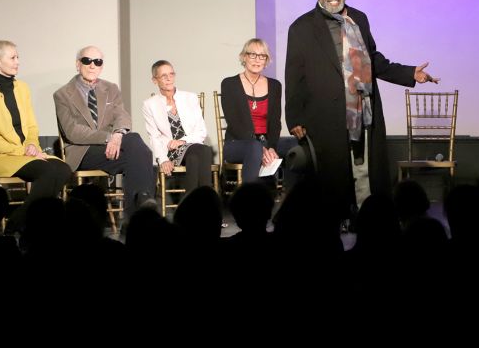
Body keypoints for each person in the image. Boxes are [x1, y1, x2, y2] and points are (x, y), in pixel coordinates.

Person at [285, 0, 439, 217]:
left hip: (362, 110)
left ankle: (367, 219)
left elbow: (372, 59)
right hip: (325, 115)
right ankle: (336, 222)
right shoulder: (302, 28)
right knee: (332, 174)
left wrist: (410, 73)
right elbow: (294, 76)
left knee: (364, 170)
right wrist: (294, 117)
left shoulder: (359, 18)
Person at [54, 46, 157, 220]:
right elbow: (73, 132)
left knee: (138, 158)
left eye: (98, 62)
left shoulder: (111, 88)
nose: (92, 65)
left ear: (101, 66)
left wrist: (117, 136)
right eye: (87, 61)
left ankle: (133, 216)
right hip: (82, 151)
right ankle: (142, 204)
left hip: (111, 148)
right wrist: (109, 137)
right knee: (140, 151)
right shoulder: (63, 94)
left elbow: (122, 116)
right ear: (78, 64)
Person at [0, 40, 70, 229]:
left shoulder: (22, 89)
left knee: (63, 169)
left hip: (25, 153)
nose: (17, 61)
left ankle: (25, 220)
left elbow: (32, 127)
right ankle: (22, 223)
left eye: (18, 57)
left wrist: (32, 145)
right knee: (48, 171)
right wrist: (22, 151)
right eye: (12, 58)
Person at [220, 38, 297, 187]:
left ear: (266, 60)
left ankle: (291, 199)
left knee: (295, 145)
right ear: (244, 57)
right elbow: (233, 122)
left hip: (266, 141)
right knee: (254, 148)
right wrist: (261, 149)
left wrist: (271, 148)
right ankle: (250, 200)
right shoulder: (229, 84)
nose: (257, 60)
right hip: (237, 143)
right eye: (252, 55)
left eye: (262, 56)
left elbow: (275, 122)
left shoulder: (275, 85)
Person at [142, 60, 213, 197]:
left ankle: (190, 206)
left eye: (171, 74)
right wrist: (162, 159)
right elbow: (154, 136)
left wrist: (182, 141)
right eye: (164, 76)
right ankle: (206, 205)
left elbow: (201, 131)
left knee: (196, 155)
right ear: (154, 80)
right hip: (170, 152)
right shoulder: (150, 104)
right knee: (203, 151)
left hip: (193, 146)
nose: (169, 78)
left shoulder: (190, 98)